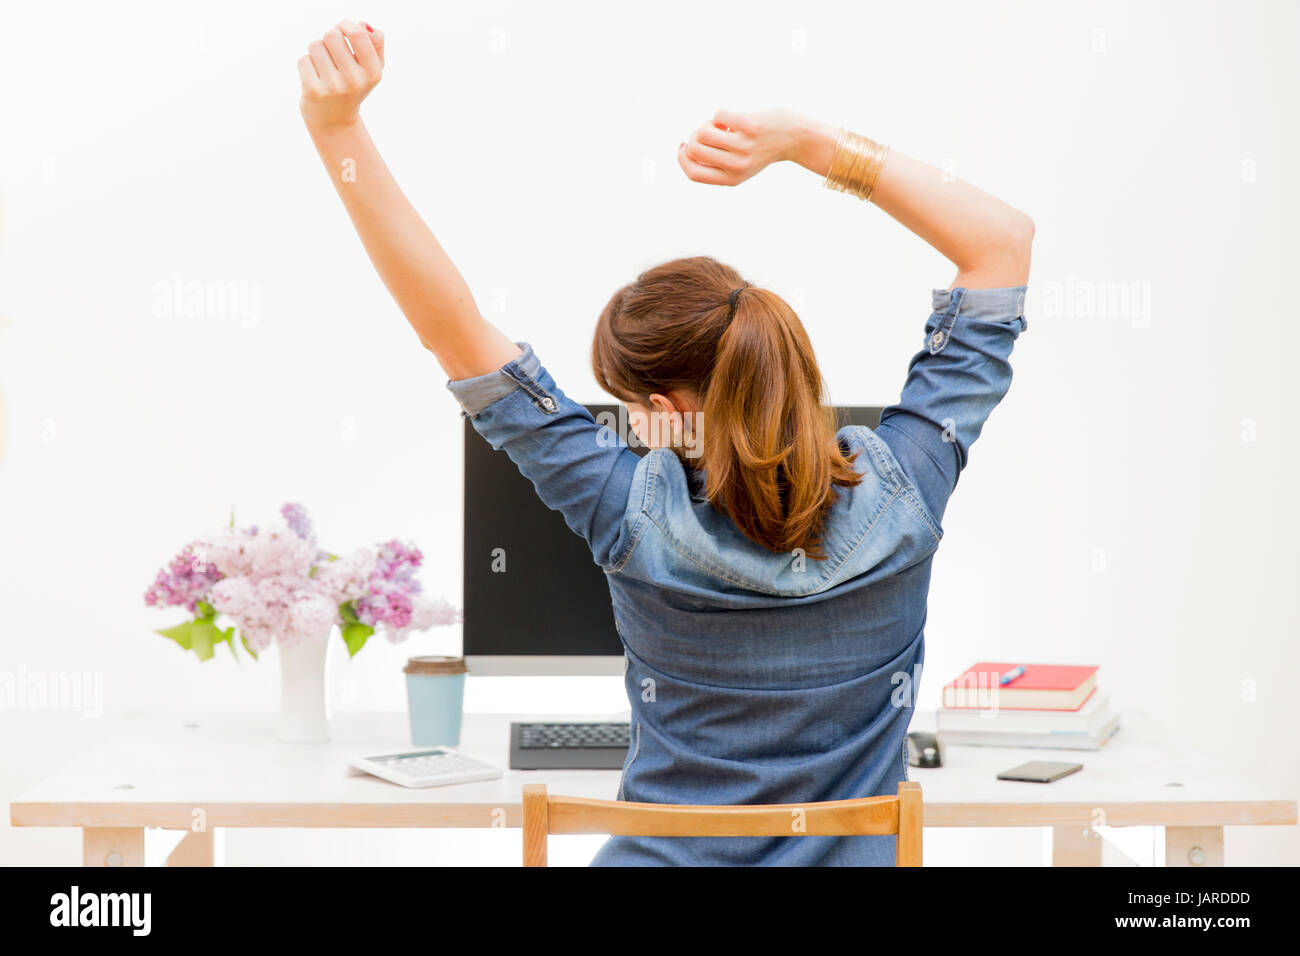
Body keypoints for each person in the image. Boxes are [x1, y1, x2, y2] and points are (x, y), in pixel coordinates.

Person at [297, 21, 1034, 866]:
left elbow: (452, 332)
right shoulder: (912, 482)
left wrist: (337, 128)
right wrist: (807, 143)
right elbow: (1001, 244)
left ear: (659, 406)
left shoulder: (627, 509)